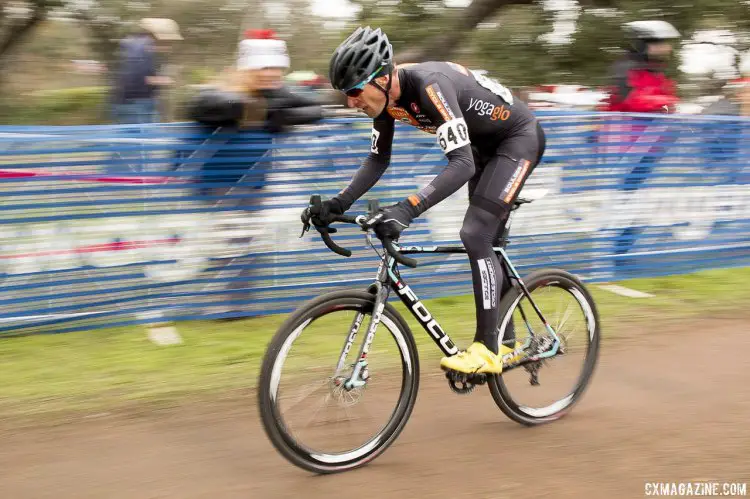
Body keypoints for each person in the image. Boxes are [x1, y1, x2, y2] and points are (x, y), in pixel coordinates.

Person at [303, 26, 546, 374]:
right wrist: (338, 204)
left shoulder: (430, 85)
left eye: (355, 91)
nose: (351, 102)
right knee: (485, 239)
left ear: (383, 78)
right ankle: (507, 345)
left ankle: (487, 349)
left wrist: (407, 209)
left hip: (517, 141)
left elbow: (461, 164)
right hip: (482, 149)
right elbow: (377, 159)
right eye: (345, 94)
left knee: (476, 234)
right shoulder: (386, 102)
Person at [187, 28, 323, 321]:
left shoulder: (276, 94)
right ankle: (224, 303)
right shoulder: (227, 89)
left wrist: (282, 116)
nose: (272, 74)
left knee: (245, 243)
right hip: (220, 183)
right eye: (265, 68)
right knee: (229, 243)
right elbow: (201, 106)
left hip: (253, 183)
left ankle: (237, 305)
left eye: (276, 68)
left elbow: (315, 108)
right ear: (249, 68)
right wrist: (256, 109)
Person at [598, 21, 681, 274]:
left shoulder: (657, 73)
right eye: (661, 44)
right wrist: (664, 101)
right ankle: (608, 254)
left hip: (647, 149)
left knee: (636, 202)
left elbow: (668, 103)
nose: (666, 49)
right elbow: (630, 101)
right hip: (623, 149)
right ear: (647, 44)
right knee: (622, 200)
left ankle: (622, 252)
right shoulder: (625, 68)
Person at [111, 18, 184, 124]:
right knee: (143, 137)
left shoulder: (133, 43)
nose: (170, 44)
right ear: (156, 35)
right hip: (137, 104)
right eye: (168, 40)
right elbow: (139, 77)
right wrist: (166, 80)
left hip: (125, 101)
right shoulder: (143, 48)